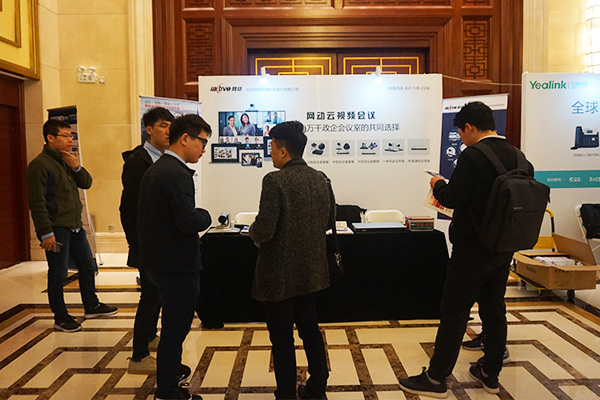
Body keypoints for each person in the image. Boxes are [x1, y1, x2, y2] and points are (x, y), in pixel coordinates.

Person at [399, 101, 534, 398]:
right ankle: (490, 372)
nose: (461, 138)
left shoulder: (473, 156)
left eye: (461, 132)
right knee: (494, 308)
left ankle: (435, 378)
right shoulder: (519, 156)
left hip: (472, 248)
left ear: (469, 127)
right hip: (503, 246)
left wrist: (438, 184)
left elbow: (453, 197)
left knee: (454, 311)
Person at [249, 121, 332, 400]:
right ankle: (317, 387)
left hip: (279, 274)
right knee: (310, 329)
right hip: (312, 270)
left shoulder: (274, 181)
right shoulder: (321, 178)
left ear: (283, 151)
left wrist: (252, 231)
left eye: (272, 148)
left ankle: (285, 393)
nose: (271, 153)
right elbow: (326, 222)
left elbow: (264, 229)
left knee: (282, 336)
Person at [138, 114, 212, 400]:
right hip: (176, 264)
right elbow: (187, 220)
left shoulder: (158, 168)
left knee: (172, 326)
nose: (203, 149)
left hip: (158, 261)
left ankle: (170, 374)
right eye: (202, 142)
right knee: (175, 329)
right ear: (185, 138)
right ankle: (167, 390)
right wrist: (206, 216)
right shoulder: (176, 173)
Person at [26, 119, 118, 332]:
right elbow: (37, 202)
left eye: (71, 136)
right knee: (58, 273)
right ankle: (60, 317)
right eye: (65, 136)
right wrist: (45, 232)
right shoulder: (39, 165)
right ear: (50, 138)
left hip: (75, 226)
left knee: (88, 266)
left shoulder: (66, 160)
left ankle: (91, 305)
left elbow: (86, 183)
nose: (70, 140)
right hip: (57, 228)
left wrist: (77, 167)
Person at [120, 107, 174, 374]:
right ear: (149, 129)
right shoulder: (138, 163)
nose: (168, 131)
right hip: (147, 244)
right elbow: (128, 209)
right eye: (163, 125)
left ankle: (150, 335)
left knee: (157, 294)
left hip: (160, 243)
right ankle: (139, 356)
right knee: (149, 295)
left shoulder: (163, 159)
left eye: (171, 126)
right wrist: (137, 244)